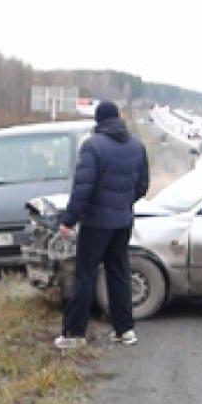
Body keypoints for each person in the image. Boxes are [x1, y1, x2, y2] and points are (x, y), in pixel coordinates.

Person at [55, 101, 149, 349]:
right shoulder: (137, 146)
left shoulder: (92, 147)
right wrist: (122, 203)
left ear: (98, 121)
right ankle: (125, 330)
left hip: (96, 224)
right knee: (119, 274)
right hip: (123, 221)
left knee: (85, 275)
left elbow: (82, 189)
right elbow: (142, 187)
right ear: (117, 118)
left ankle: (74, 333)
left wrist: (68, 220)